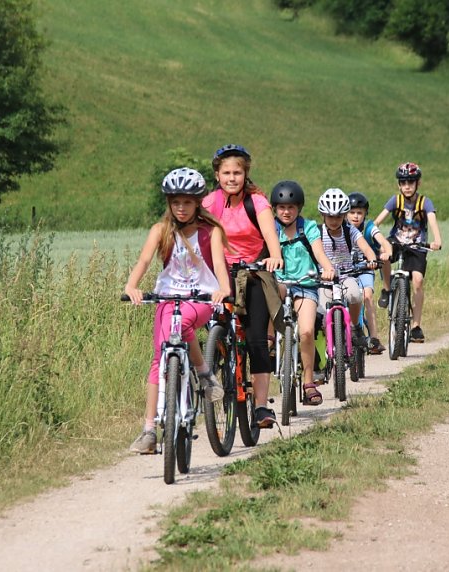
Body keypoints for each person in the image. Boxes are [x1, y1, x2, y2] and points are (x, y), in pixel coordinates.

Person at [125, 167, 232, 454]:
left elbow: (220, 266)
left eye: (187, 202)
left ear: (198, 202)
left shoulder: (211, 232)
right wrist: (131, 286)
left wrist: (223, 289)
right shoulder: (160, 230)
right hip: (167, 298)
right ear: (169, 204)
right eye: (175, 202)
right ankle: (149, 430)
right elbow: (144, 261)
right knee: (159, 359)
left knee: (183, 323)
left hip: (200, 299)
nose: (181, 208)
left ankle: (204, 373)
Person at [202, 144, 284, 429]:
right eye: (226, 173)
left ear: (245, 173)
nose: (232, 178)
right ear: (217, 175)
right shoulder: (210, 203)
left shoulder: (257, 202)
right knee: (208, 326)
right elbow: (196, 235)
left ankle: (261, 407)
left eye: (237, 172)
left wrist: (274, 257)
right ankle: (215, 365)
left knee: (256, 340)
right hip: (220, 275)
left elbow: (271, 239)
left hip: (253, 273)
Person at [271, 180, 336, 406]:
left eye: (291, 207)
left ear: (298, 208)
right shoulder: (271, 229)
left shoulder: (308, 228)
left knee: (307, 331)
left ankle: (308, 382)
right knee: (267, 297)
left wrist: (327, 268)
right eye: (281, 207)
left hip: (305, 284)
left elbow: (318, 252)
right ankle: (270, 345)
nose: (286, 211)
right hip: (279, 283)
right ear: (275, 209)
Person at [373, 162, 443, 343]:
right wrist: (370, 232)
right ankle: (387, 289)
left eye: (411, 182)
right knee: (384, 252)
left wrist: (437, 240)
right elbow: (378, 220)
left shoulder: (424, 202)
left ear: (418, 183)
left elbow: (432, 218)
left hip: (417, 245)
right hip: (396, 241)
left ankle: (416, 326)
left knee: (418, 281)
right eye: (403, 183)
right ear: (399, 185)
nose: (407, 186)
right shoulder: (395, 200)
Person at [316, 188, 379, 350]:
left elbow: (365, 248)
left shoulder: (349, 230)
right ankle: (327, 353)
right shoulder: (317, 232)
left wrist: (371, 259)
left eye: (338, 216)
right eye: (330, 216)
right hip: (325, 280)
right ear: (323, 215)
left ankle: (355, 326)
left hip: (346, 276)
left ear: (344, 215)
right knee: (322, 314)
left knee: (356, 296)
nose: (334, 220)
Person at [347, 192, 392, 355]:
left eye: (359, 212)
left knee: (367, 296)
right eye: (352, 212)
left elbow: (383, 242)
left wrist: (386, 252)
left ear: (365, 213)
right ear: (345, 213)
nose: (356, 216)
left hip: (365, 269)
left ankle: (373, 338)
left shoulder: (369, 227)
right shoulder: (341, 228)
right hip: (345, 272)